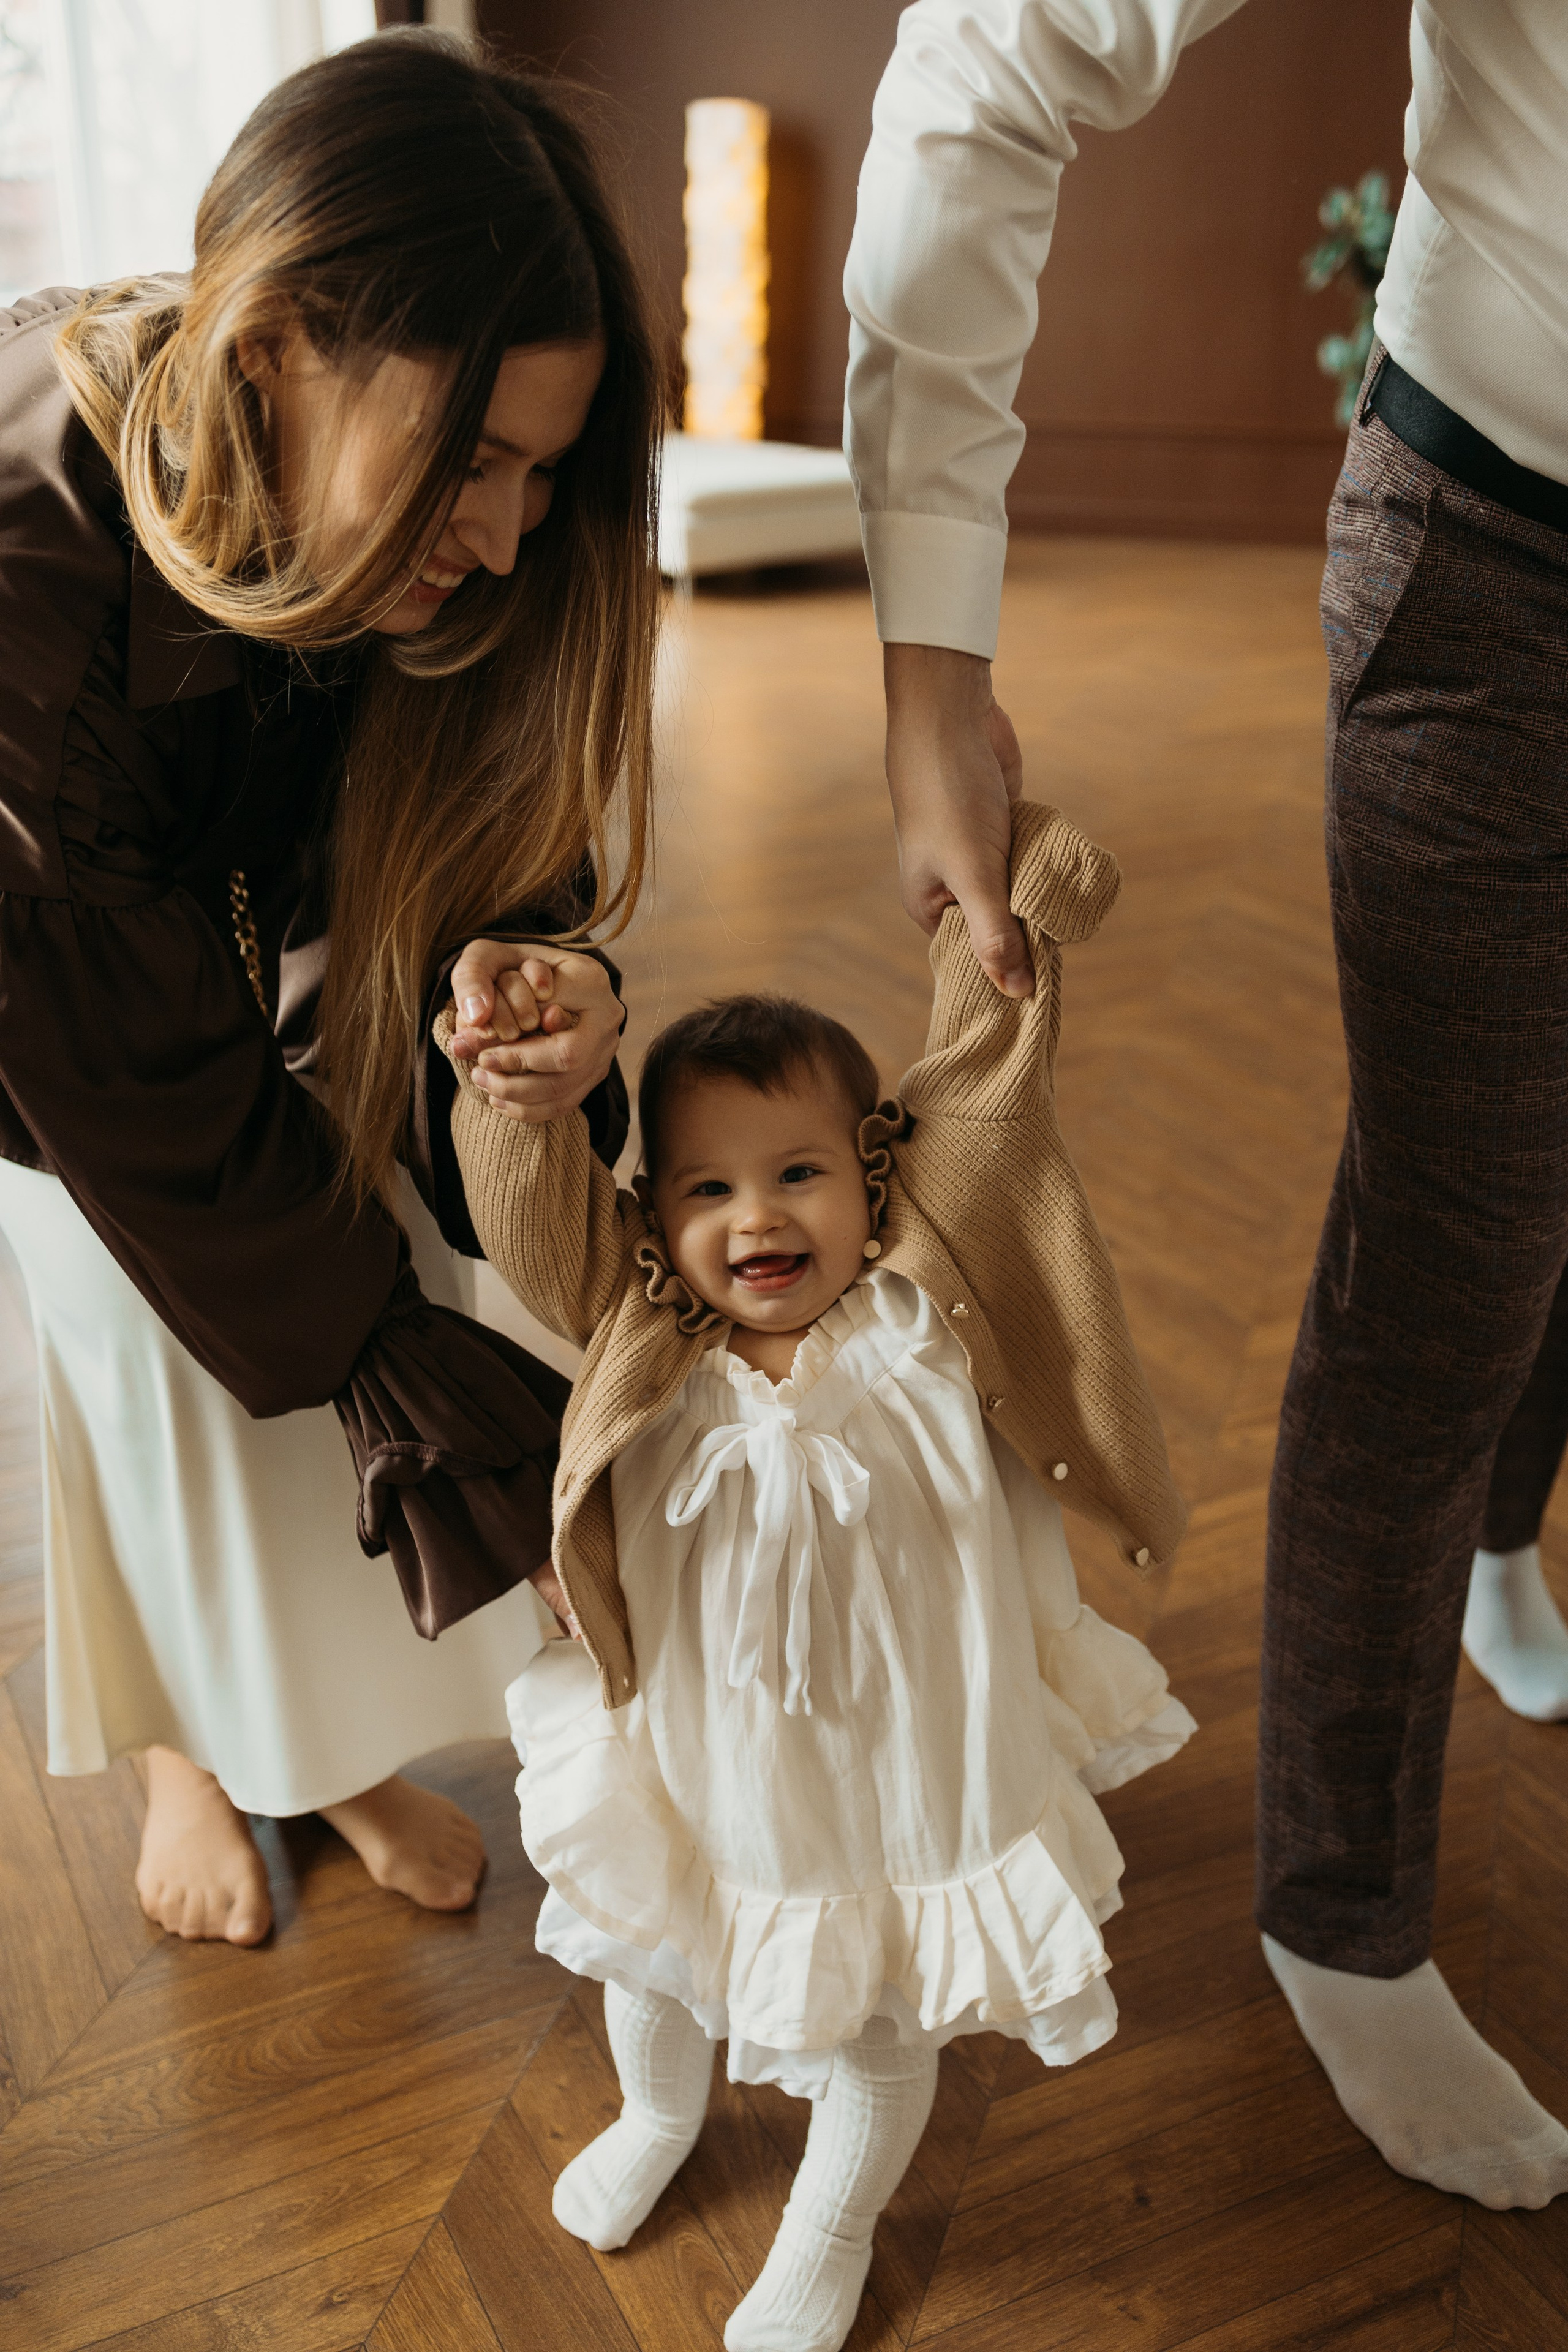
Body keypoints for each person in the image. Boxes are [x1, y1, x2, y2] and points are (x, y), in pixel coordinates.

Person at [842, 0, 1568, 2211]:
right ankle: (1337, 1911)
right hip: (1512, 561)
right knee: (1462, 1220)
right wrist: (930, 665)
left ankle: (1498, 1533)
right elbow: (993, 56)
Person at [0, 30, 658, 1943]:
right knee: (132, 1317)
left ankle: (304, 1739)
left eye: (542, 474)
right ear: (272, 348)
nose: (511, 532)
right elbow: (131, 1076)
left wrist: (535, 996)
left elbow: (421, 869)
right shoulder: (28, 595)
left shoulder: (394, 541)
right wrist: (379, 1347)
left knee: (335, 1240)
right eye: (472, 463)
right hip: (35, 947)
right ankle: (185, 1751)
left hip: (157, 866)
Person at [439, 797, 1195, 2352]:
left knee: (876, 2013)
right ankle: (660, 2116)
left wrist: (1004, 893)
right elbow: (527, 1214)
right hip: (705, 1752)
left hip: (907, 1766)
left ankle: (831, 2222)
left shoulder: (925, 1309)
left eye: (796, 1175)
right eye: (705, 1190)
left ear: (874, 1180)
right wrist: (517, 1102)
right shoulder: (641, 1324)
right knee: (650, 1958)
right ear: (654, 1217)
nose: (756, 1216)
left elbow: (984, 1087)